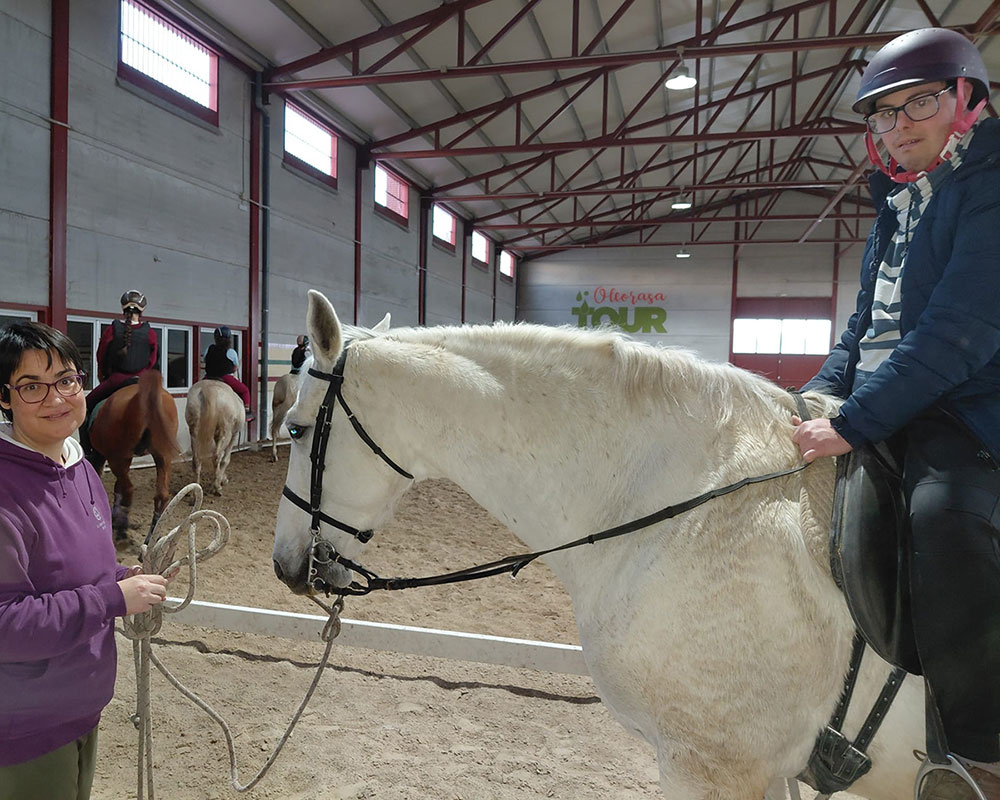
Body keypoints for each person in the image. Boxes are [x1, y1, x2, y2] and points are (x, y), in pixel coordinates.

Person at [791, 28, 1000, 800]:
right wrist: (812, 397)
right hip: (883, 401)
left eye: (919, 102)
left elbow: (959, 335)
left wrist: (850, 424)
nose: (898, 124)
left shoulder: (990, 187)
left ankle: (980, 754)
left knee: (945, 519)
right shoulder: (897, 206)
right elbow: (862, 333)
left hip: (967, 409)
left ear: (967, 100)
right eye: (881, 114)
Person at [0, 321, 171, 800]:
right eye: (31, 386)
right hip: (25, 723)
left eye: (68, 380)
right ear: (4, 398)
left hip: (79, 704)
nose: (56, 398)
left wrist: (124, 579)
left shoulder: (81, 467)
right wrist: (111, 597)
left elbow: (74, 574)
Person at [79, 289, 158, 456]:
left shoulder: (112, 330)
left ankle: (87, 449)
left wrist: (103, 374)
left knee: (84, 406)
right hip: (141, 380)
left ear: (123, 310)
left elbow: (101, 355)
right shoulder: (150, 333)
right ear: (141, 311)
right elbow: (152, 360)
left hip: (116, 379)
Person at [203, 325, 253, 421]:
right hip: (225, 378)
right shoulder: (231, 352)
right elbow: (235, 367)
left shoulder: (209, 349)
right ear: (228, 339)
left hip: (208, 377)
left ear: (216, 338)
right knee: (245, 390)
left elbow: (206, 360)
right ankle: (246, 412)